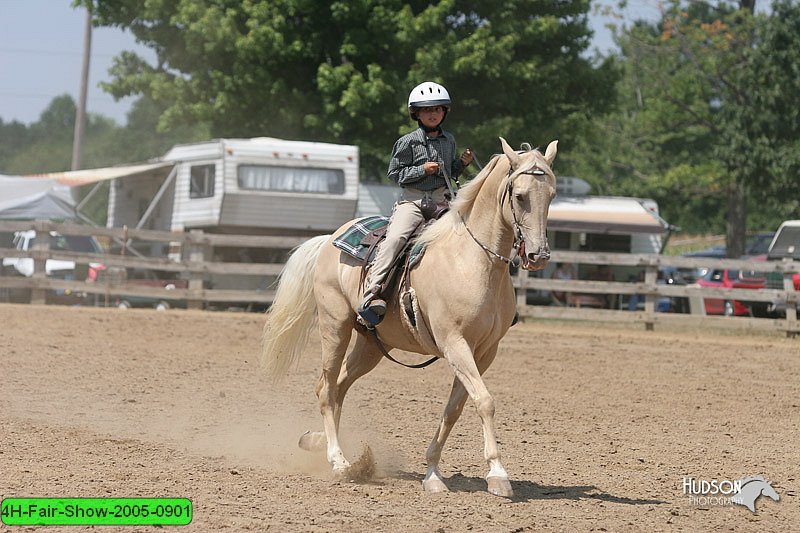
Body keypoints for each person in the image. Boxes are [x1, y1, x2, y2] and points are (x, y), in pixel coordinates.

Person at [357, 81, 473, 326]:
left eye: (438, 109)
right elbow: (395, 174)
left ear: (444, 112)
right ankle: (371, 294)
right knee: (396, 238)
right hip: (413, 200)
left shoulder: (449, 140)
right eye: (426, 110)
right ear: (416, 114)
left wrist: (461, 164)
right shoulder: (407, 142)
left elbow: (449, 172)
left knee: (468, 237)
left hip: (443, 200)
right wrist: (422, 169)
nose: (432, 114)